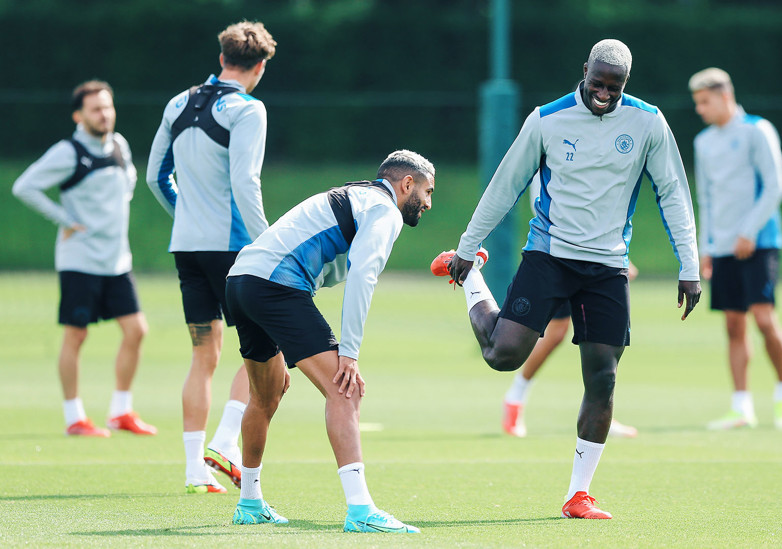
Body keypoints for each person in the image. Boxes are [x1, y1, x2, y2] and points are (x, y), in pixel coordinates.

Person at [432, 39, 701, 520]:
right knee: (502, 355)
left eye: (613, 87)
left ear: (625, 85)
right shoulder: (546, 119)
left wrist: (690, 266)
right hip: (549, 256)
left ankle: (578, 494)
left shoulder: (648, 123)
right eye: (597, 82)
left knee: (603, 378)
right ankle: (470, 276)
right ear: (584, 72)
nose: (603, 93)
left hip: (607, 266)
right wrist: (469, 247)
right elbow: (504, 185)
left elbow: (674, 193)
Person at [223, 150, 434, 532]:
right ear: (407, 185)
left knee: (266, 394)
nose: (429, 203)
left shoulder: (357, 195)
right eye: (427, 191)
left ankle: (250, 503)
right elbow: (362, 278)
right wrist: (349, 354)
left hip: (240, 280)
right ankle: (361, 511)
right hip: (274, 286)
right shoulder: (385, 211)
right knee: (345, 390)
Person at [146, 20, 276, 493]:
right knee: (266, 348)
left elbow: (155, 177)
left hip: (187, 246)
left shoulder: (178, 102)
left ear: (222, 58)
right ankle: (224, 441)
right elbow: (245, 183)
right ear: (259, 67)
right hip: (234, 249)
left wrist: (188, 216)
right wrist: (267, 242)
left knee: (204, 354)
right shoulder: (248, 110)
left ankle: (192, 470)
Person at [12, 81, 155, 438]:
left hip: (117, 261)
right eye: (95, 109)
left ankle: (121, 411)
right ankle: (75, 417)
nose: (104, 114)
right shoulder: (68, 152)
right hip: (80, 261)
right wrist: (64, 220)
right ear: (79, 116)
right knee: (76, 336)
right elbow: (24, 186)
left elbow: (129, 181)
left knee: (136, 331)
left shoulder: (120, 144)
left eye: (107, 107)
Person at [688, 68, 782, 431]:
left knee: (764, 319)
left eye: (705, 101)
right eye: (697, 103)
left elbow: (776, 184)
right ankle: (741, 407)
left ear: (723, 96)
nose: (700, 109)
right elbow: (705, 197)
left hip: (759, 243)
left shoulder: (757, 130)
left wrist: (748, 231)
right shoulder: (704, 142)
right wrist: (705, 247)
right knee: (734, 325)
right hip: (721, 249)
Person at [501, 264, 640, 439]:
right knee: (555, 333)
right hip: (563, 259)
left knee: (600, 339)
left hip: (597, 263)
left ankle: (601, 416)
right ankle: (515, 397)